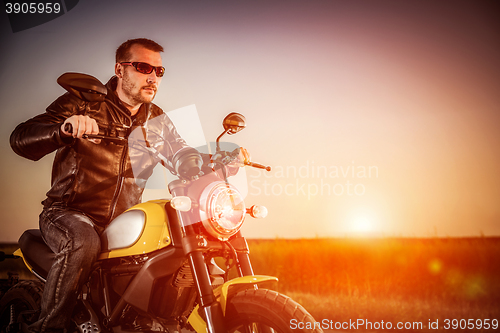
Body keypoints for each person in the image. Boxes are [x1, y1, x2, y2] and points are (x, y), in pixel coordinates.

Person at [10, 38, 190, 333]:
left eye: (159, 71)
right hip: (68, 212)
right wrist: (64, 130)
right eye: (144, 67)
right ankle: (48, 328)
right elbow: (21, 137)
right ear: (120, 69)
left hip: (123, 220)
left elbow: (181, 152)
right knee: (84, 240)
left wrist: (215, 158)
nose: (152, 77)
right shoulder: (85, 103)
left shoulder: (156, 119)